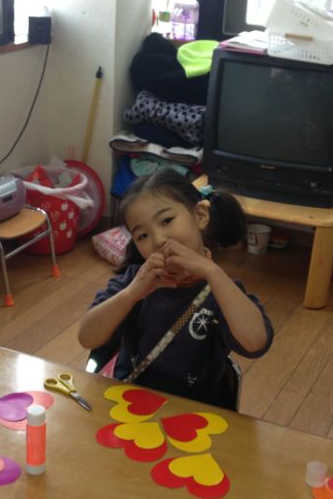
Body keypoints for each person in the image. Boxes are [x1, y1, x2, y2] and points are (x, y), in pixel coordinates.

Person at [79, 169, 273, 409]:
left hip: (196, 412)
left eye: (166, 221)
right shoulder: (134, 282)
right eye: (142, 235)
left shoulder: (222, 289)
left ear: (200, 215)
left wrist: (212, 272)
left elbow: (256, 342)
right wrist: (132, 294)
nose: (158, 240)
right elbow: (87, 337)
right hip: (130, 403)